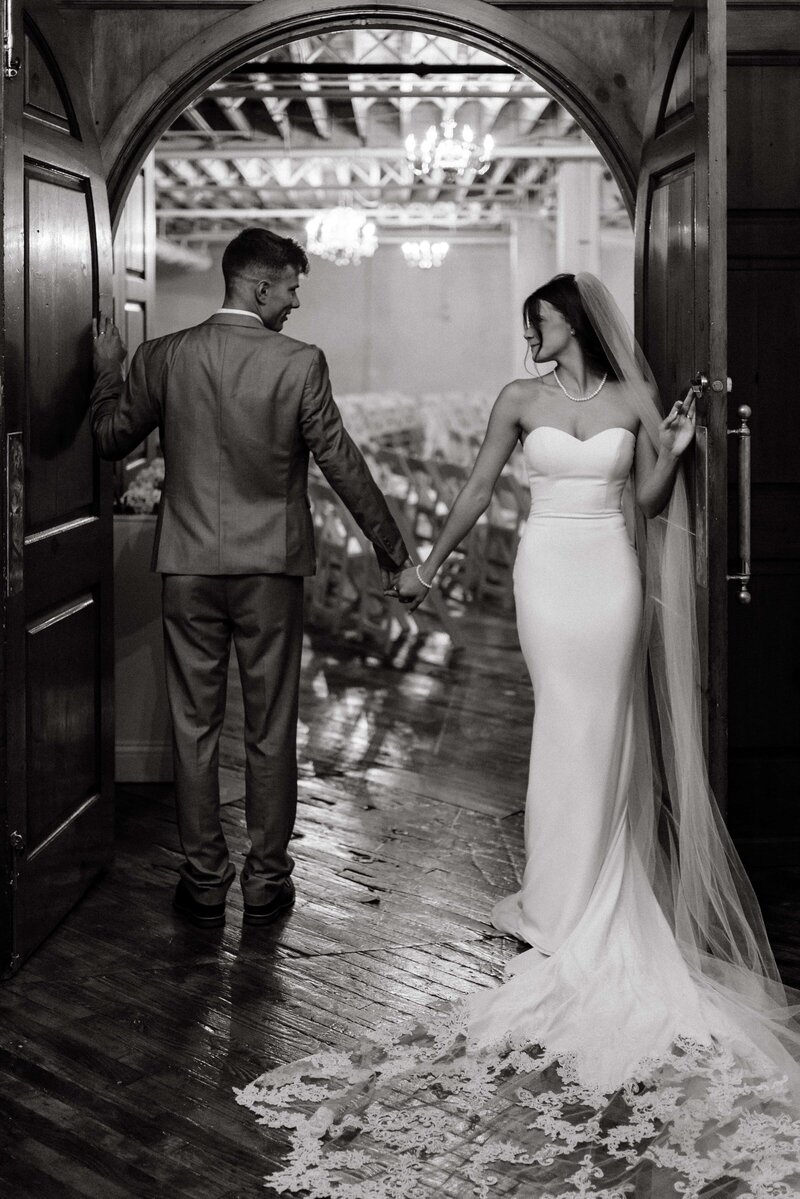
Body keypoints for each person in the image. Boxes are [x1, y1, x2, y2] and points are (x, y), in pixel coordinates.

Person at [236, 273, 800, 1196]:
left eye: (536, 322)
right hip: (545, 575)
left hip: (611, 577)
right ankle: (557, 899)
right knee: (561, 725)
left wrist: (684, 443)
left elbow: (650, 502)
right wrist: (422, 566)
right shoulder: (517, 398)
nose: (529, 337)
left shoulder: (631, 397)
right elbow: (475, 492)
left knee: (606, 726)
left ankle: (599, 897)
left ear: (568, 319)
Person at [91, 227, 408, 931]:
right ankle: (267, 882)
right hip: (271, 570)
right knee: (270, 727)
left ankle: (204, 880)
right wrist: (392, 550)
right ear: (259, 285)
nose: (296, 300)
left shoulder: (163, 356)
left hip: (188, 567)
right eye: (292, 286)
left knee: (193, 726)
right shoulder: (299, 364)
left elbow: (110, 437)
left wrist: (107, 371)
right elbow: (342, 462)